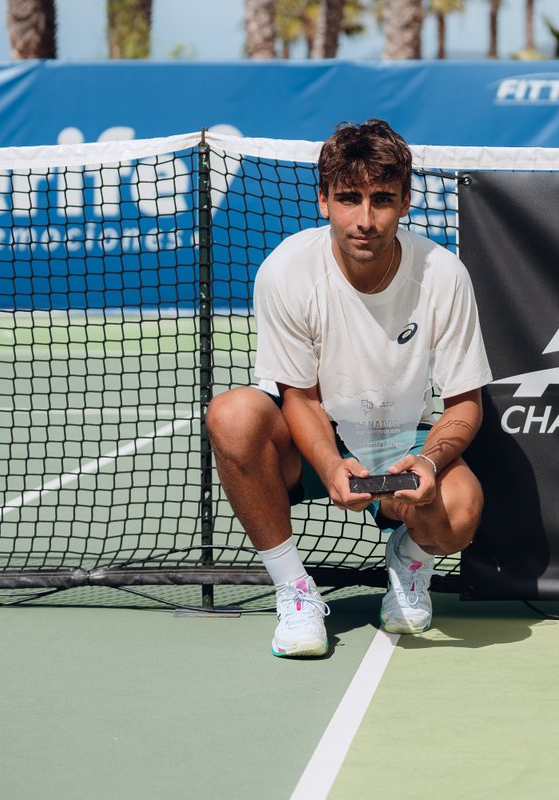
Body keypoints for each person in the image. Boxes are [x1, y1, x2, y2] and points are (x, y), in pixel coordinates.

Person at [206, 119, 493, 658]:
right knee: (233, 414)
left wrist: (428, 464)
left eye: (382, 200)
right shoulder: (286, 272)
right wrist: (333, 465)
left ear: (406, 202)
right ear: (324, 202)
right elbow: (300, 397)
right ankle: (294, 591)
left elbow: (464, 404)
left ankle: (410, 559)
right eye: (349, 199)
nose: (365, 219)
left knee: (461, 515)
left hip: (407, 448)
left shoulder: (444, 275)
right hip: (313, 447)